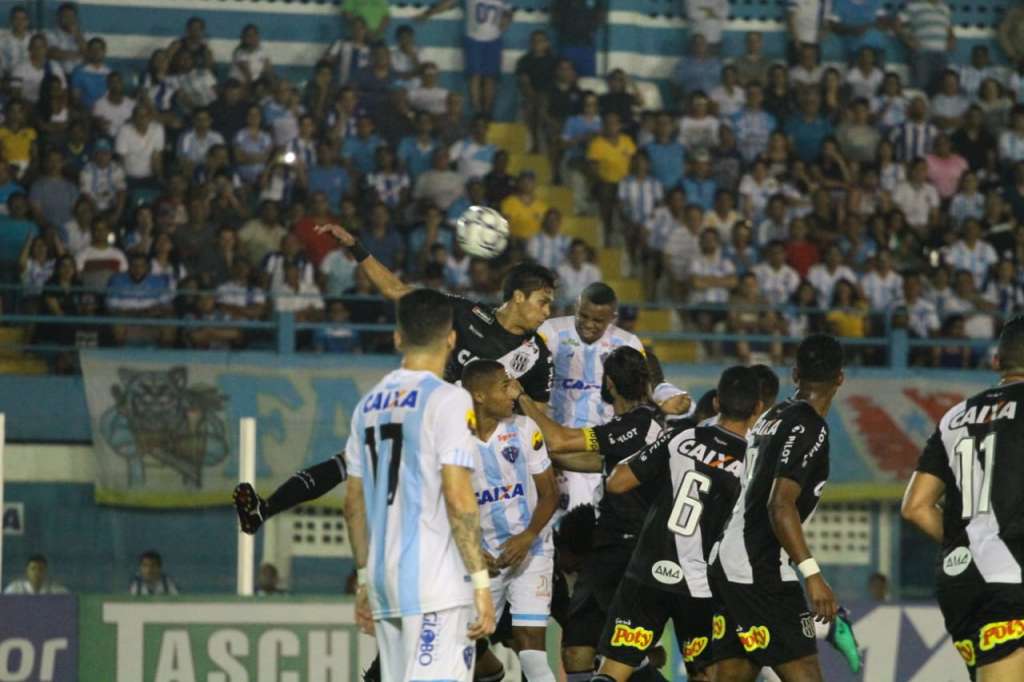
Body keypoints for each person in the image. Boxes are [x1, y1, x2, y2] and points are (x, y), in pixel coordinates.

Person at [343, 288, 496, 680]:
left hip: (384, 582)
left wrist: (364, 580)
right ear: (452, 338)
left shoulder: (368, 406)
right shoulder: (449, 400)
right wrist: (480, 582)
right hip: (436, 584)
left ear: (398, 337)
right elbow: (458, 495)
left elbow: (354, 504)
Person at [593, 366, 763, 682]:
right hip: (699, 585)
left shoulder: (681, 437)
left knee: (615, 667)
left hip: (647, 571)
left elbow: (616, 483)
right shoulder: (754, 465)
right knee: (707, 673)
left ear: (716, 404)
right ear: (757, 408)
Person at [710, 334, 855, 682]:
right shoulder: (810, 426)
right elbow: (780, 505)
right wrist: (813, 575)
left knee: (735, 672)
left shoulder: (774, 414)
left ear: (794, 374)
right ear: (840, 378)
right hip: (760, 569)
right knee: (804, 673)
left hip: (728, 561)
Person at [516, 346, 665, 681]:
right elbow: (592, 462)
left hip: (629, 547)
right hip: (611, 544)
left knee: (618, 652)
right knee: (580, 649)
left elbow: (558, 440)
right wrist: (542, 462)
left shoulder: (637, 424)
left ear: (609, 383)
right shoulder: (639, 427)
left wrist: (523, 398)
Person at [902, 315, 1024, 680]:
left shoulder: (955, 416)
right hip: (1011, 576)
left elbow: (915, 507)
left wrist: (967, 543)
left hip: (962, 582)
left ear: (996, 363)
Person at [316, 222, 555, 401]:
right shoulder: (464, 312)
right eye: (542, 302)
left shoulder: (538, 358)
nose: (547, 312)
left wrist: (519, 400)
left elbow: (540, 430)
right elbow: (396, 289)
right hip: (432, 421)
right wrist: (354, 247)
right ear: (519, 296)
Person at [461, 360, 560, 682]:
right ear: (479, 395)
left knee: (530, 645)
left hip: (533, 550)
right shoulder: (454, 441)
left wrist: (529, 534)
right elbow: (442, 506)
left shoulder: (524, 429)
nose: (512, 393)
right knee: (464, 644)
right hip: (486, 557)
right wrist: (472, 549)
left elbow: (550, 494)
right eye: (504, 386)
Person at [537, 282, 647, 513]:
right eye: (583, 316)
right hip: (554, 443)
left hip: (599, 449)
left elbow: (640, 395)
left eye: (598, 321)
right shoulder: (549, 332)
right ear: (577, 306)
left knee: (586, 518)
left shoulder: (627, 343)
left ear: (612, 317)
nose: (588, 325)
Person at [418, 0, 513, 116]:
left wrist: (503, 25)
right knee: (474, 76)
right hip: (473, 38)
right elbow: (449, 2)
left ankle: (487, 112)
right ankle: (477, 111)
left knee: (490, 77)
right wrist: (429, 13)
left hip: (494, 39)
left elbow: (508, 12)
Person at [3, 554, 68, 594]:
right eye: (33, 568)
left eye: (41, 569)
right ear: (27, 571)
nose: (36, 572)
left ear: (46, 571)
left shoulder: (57, 592)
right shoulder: (14, 590)